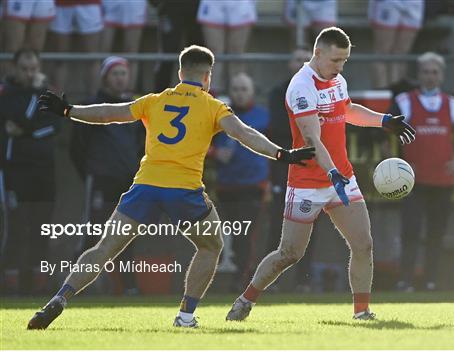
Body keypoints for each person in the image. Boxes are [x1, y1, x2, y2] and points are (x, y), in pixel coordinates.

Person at [27, 45, 315, 330]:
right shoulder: (212, 105)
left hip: (146, 186)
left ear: (180, 73)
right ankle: (186, 316)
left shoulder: (155, 100)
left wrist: (68, 110)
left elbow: (108, 114)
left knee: (104, 249)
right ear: (207, 77)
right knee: (211, 245)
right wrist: (282, 154)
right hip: (184, 190)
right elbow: (244, 133)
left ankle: (59, 298)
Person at [226, 27, 415, 322]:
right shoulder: (301, 87)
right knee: (289, 253)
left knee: (363, 244)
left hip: (342, 177)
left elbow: (348, 109)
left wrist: (384, 121)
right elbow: (313, 140)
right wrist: (332, 173)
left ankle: (362, 312)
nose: (340, 68)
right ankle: (245, 300)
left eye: (344, 61)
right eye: (336, 60)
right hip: (307, 183)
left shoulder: (336, 79)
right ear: (318, 53)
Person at [390, 52, 454, 292]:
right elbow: (387, 133)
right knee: (410, 231)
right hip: (412, 182)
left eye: (435, 72)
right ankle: (405, 281)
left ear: (442, 76)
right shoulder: (404, 101)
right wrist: (399, 163)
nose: (430, 76)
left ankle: (431, 281)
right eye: (426, 72)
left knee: (436, 234)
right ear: (419, 75)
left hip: (443, 180)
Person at [70, 56, 144, 295]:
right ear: (104, 77)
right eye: (115, 73)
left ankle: (128, 286)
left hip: (128, 181)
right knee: (92, 232)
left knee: (127, 234)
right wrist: (92, 172)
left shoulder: (135, 108)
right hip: (101, 180)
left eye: (124, 73)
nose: (120, 78)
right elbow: (77, 148)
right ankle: (74, 285)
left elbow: (140, 145)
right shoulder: (91, 107)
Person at [0, 49, 61, 295]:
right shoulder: (6, 93)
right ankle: (10, 285)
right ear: (14, 68)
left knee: (42, 228)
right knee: (14, 228)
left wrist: (26, 132)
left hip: (44, 170)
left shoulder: (48, 93)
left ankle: (38, 285)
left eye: (33, 68)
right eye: (24, 69)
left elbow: (54, 126)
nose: (29, 73)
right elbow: (12, 118)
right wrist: (35, 100)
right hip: (15, 170)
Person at [267, 47, 318, 291]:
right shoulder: (278, 92)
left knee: (309, 224)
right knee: (277, 223)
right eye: (296, 59)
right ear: (289, 64)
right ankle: (271, 281)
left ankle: (303, 281)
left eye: (303, 60)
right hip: (286, 165)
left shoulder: (321, 90)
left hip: (313, 167)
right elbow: (278, 128)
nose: (300, 64)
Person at [213, 73, 269, 291]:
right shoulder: (220, 116)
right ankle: (238, 275)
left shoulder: (264, 117)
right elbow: (200, 143)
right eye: (236, 88)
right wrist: (215, 152)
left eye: (244, 88)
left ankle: (243, 279)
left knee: (247, 234)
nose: (240, 93)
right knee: (233, 234)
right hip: (226, 186)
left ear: (252, 92)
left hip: (253, 185)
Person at [197, 0, 257, 94]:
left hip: (240, 4)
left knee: (237, 53)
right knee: (213, 53)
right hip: (214, 4)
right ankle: (211, 96)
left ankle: (237, 97)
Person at [49, 0, 104, 94]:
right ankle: (58, 102)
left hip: (89, 4)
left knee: (93, 57)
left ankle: (94, 102)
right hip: (61, 4)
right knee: (60, 58)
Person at [368, 0, 425, 88]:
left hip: (413, 4)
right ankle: (381, 93)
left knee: (401, 54)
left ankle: (397, 92)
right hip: (389, 3)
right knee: (382, 53)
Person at [150, 0, 203, 92]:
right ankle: (160, 94)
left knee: (195, 53)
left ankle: (194, 93)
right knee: (167, 52)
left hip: (196, 8)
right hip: (169, 7)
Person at [100, 0, 147, 91]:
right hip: (109, 3)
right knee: (102, 52)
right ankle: (102, 94)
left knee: (132, 52)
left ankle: (129, 95)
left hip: (133, 3)